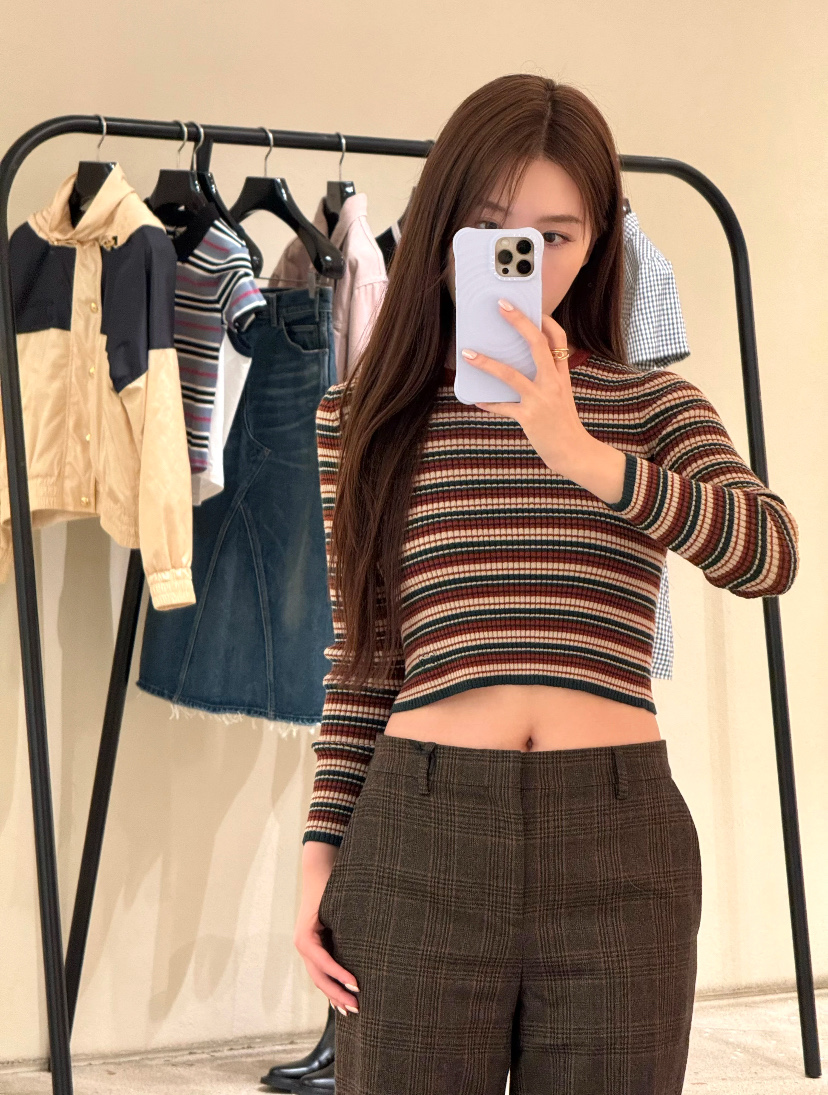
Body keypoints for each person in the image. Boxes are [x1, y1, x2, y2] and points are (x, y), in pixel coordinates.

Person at [293, 74, 799, 1095]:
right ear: (442, 226)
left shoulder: (653, 405)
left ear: (599, 242)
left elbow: (768, 553)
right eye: (488, 228)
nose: (519, 256)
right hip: (418, 835)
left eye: (554, 235)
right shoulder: (365, 419)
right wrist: (318, 855)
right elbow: (364, 661)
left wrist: (580, 452)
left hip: (620, 843)